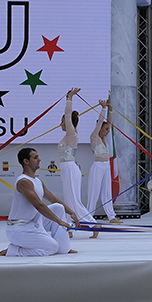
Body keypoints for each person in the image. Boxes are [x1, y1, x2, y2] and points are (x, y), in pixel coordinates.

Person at [0, 146, 79, 256]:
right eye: (35, 158)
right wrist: (59, 221)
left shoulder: (38, 181)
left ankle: (64, 248)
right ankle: (13, 250)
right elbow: (39, 205)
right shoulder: (24, 182)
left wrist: (72, 213)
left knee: (58, 208)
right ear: (26, 161)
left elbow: (53, 199)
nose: (39, 159)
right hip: (19, 229)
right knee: (52, 247)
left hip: (34, 222)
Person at [57, 87, 97, 238]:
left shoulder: (71, 133)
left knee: (74, 200)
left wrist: (69, 99)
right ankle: (69, 229)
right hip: (67, 168)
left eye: (62, 121)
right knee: (68, 200)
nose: (61, 124)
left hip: (70, 168)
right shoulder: (69, 135)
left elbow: (68, 115)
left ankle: (94, 224)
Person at [85, 99, 122, 225]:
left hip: (106, 166)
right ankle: (89, 216)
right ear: (99, 129)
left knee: (107, 192)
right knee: (93, 193)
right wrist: (103, 108)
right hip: (98, 166)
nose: (107, 131)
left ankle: (111, 216)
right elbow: (101, 121)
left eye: (107, 129)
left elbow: (109, 123)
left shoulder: (105, 138)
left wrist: (110, 110)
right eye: (105, 129)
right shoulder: (94, 137)